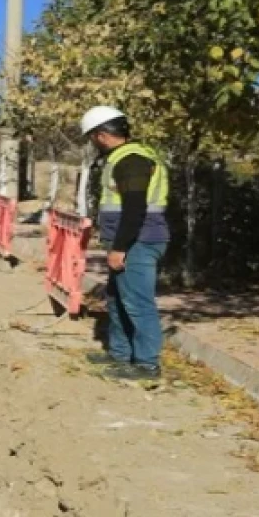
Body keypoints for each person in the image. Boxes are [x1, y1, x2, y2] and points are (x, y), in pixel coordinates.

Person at [79, 106, 170, 380]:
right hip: (130, 241)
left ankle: (146, 364)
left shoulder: (132, 161)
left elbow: (134, 209)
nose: (93, 144)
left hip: (138, 243)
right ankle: (120, 355)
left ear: (102, 135)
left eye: (92, 138)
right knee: (117, 299)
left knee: (138, 303)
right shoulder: (123, 158)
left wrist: (120, 248)